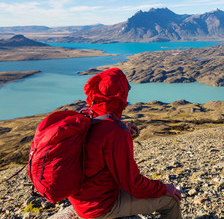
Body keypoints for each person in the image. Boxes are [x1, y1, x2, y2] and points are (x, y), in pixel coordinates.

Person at [69, 68, 182, 219]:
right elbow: (133, 184)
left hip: (82, 200)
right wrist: (165, 188)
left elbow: (97, 138)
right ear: (121, 92)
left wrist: (120, 127)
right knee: (171, 201)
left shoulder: (86, 114)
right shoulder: (115, 132)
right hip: (101, 207)